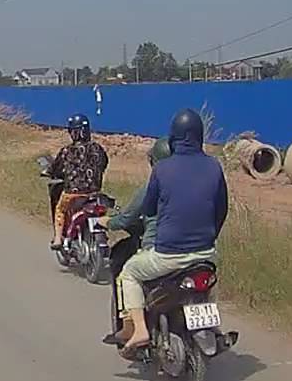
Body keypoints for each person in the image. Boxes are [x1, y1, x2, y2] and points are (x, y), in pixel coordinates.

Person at [118, 108, 229, 356]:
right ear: (200, 135)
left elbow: (148, 208)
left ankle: (139, 330)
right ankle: (214, 327)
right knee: (207, 284)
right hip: (206, 253)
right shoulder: (214, 166)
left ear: (173, 137)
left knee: (130, 273)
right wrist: (209, 237)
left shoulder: (162, 169)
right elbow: (222, 209)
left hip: (168, 255)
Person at [96, 137, 170, 345]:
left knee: (127, 274)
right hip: (200, 250)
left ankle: (132, 327)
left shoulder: (151, 188)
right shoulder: (191, 185)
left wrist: (107, 222)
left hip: (160, 251)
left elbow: (126, 218)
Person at [46, 113, 108, 250]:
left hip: (73, 194)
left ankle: (58, 239)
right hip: (94, 193)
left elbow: (55, 169)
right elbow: (104, 164)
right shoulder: (97, 148)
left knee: (60, 210)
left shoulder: (67, 151)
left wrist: (49, 172)